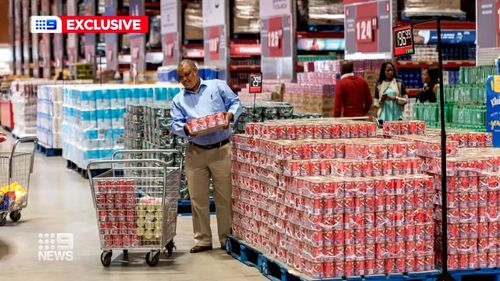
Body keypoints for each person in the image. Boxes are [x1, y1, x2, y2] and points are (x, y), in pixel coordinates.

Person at [170, 59, 242, 253]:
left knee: (224, 197)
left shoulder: (216, 86)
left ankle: (226, 238)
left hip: (221, 150)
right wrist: (185, 128)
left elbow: (235, 102)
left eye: (188, 74)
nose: (185, 79)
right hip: (196, 152)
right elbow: (175, 124)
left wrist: (229, 116)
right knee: (198, 198)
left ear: (196, 70)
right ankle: (202, 240)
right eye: (181, 77)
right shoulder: (178, 100)